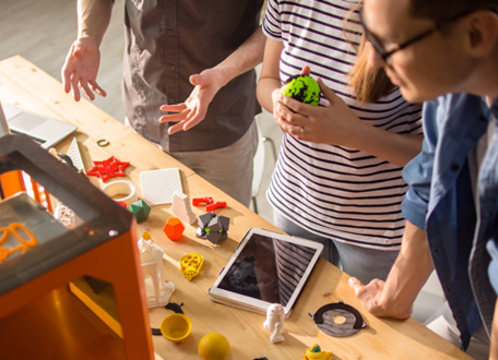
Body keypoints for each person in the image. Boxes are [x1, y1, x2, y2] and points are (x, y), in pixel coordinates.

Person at [350, 0, 498, 358]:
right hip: (481, 304)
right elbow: (431, 179)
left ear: (477, 33)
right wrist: (395, 296)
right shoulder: (453, 69)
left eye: (390, 43)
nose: (372, 59)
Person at [256, 0, 423, 284]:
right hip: (295, 201)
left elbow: (434, 154)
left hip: (375, 227)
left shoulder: (404, 13)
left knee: (369, 325)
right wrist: (278, 102)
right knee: (293, 316)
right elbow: (267, 80)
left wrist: (352, 134)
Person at [61, 0, 265, 206]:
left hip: (221, 127)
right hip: (144, 120)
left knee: (228, 232)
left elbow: (278, 28)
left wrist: (223, 73)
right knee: (150, 229)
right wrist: (88, 35)